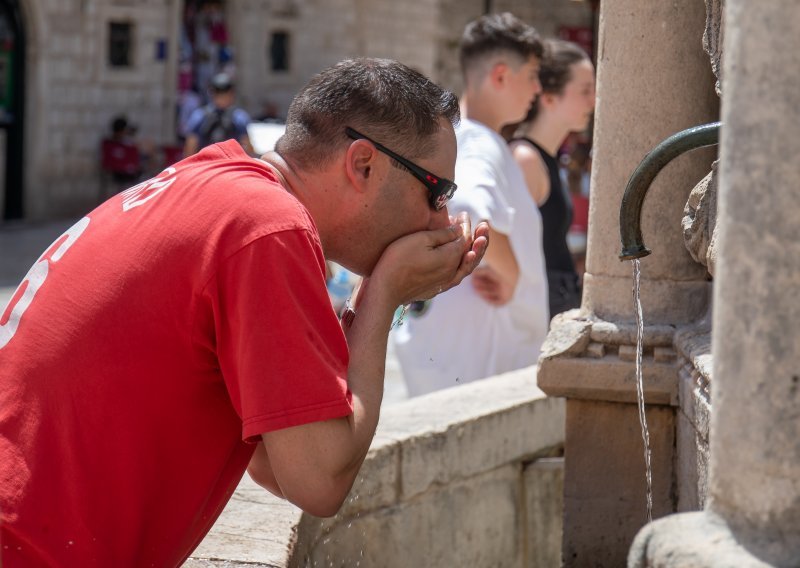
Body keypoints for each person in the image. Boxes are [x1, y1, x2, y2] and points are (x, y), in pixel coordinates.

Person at [0, 58, 488, 567]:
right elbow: (320, 481)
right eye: (437, 191)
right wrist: (383, 295)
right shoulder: (267, 229)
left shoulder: (219, 183)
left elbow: (281, 465)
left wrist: (375, 296)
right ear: (363, 163)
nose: (441, 219)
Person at [393, 13, 548, 397]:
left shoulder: (459, 137)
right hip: (481, 371)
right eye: (531, 74)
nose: (537, 88)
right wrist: (511, 276)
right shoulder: (480, 143)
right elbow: (468, 205)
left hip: (455, 364)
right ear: (500, 76)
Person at [507, 39, 596, 318]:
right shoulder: (525, 159)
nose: (593, 101)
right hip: (534, 315)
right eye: (585, 90)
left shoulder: (542, 158)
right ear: (548, 98)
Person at [183, 71, 253, 156]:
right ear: (231, 93)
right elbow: (247, 147)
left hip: (206, 164)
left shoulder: (199, 115)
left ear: (211, 93)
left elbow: (191, 145)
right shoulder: (240, 117)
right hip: (229, 165)